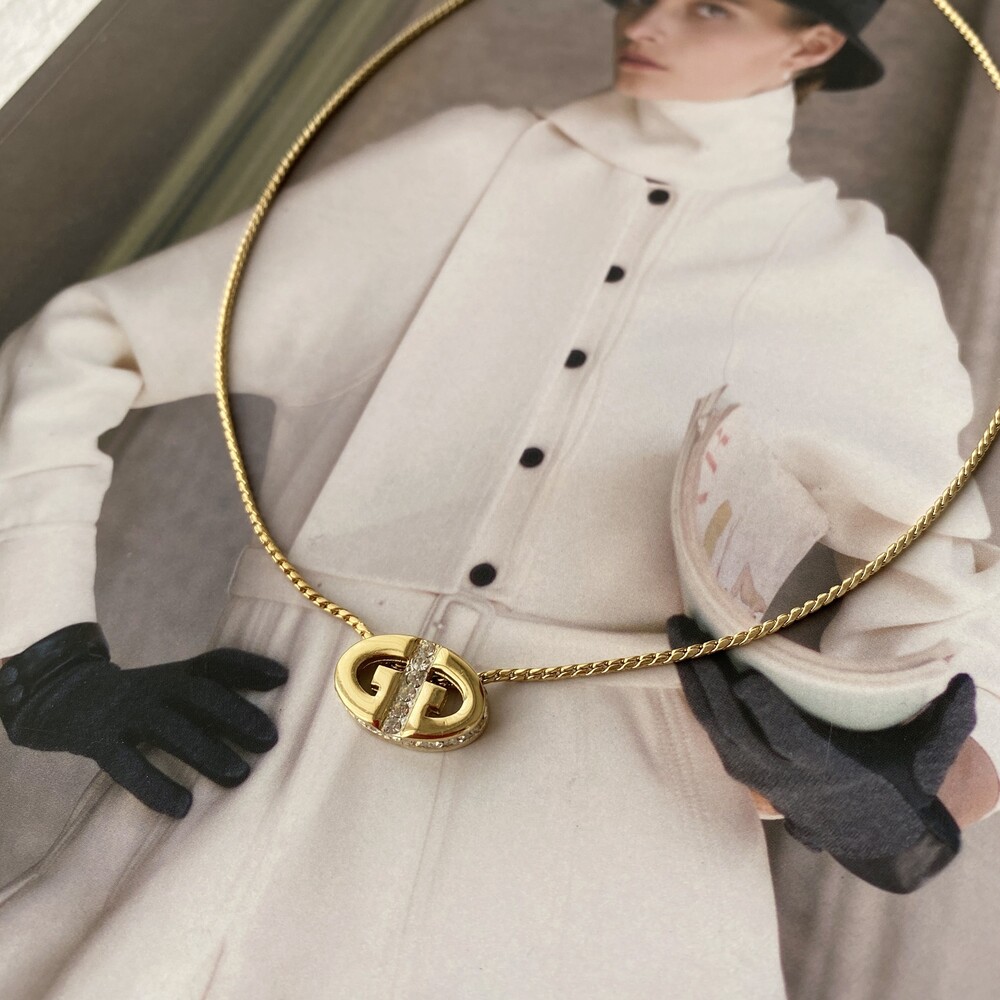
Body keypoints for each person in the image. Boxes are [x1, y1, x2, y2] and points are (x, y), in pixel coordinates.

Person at [0, 0, 998, 996]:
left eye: (707, 6)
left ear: (811, 44)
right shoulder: (459, 165)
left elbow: (941, 584)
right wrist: (42, 652)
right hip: (276, 746)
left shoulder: (854, 281)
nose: (647, 20)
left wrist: (869, 768)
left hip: (611, 833)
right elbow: (85, 341)